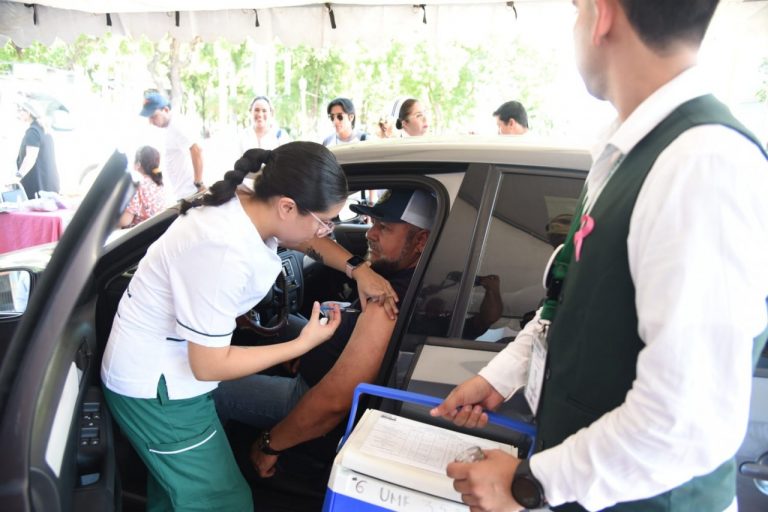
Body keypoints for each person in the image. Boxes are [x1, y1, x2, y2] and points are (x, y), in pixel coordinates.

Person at [431, 1, 768, 511]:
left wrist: (528, 483)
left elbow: (689, 422)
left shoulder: (703, 164)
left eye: (576, 9)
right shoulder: (623, 153)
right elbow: (569, 304)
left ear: (603, 13)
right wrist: (500, 378)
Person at [101, 142, 399, 512]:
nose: (327, 230)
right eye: (325, 220)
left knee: (175, 494)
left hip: (171, 373)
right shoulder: (222, 251)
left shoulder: (251, 204)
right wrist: (302, 343)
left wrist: (358, 270)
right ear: (287, 207)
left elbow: (307, 238)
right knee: (224, 502)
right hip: (158, 389)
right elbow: (208, 365)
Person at [212, 188, 436, 478]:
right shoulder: (408, 276)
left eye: (384, 227)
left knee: (213, 390)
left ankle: (215, 475)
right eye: (372, 223)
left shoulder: (387, 301)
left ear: (420, 241)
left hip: (309, 395)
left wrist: (269, 444)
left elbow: (333, 402)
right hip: (323, 361)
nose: (370, 233)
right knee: (283, 323)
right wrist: (308, 350)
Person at [140, 92, 205, 201]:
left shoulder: (176, 126)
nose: (151, 122)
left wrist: (199, 183)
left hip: (191, 193)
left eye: (153, 116)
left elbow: (196, 150)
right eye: (149, 118)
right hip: (185, 193)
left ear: (165, 110)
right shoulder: (170, 128)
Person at [15, 101, 60, 199]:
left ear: (28, 112)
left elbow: (30, 157)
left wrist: (17, 177)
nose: (18, 113)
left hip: (39, 187)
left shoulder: (33, 131)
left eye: (20, 110)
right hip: (49, 184)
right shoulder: (44, 129)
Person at [118, 145, 166, 229]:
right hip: (158, 230)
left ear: (138, 164)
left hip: (144, 234)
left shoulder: (138, 187)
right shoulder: (159, 183)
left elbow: (124, 221)